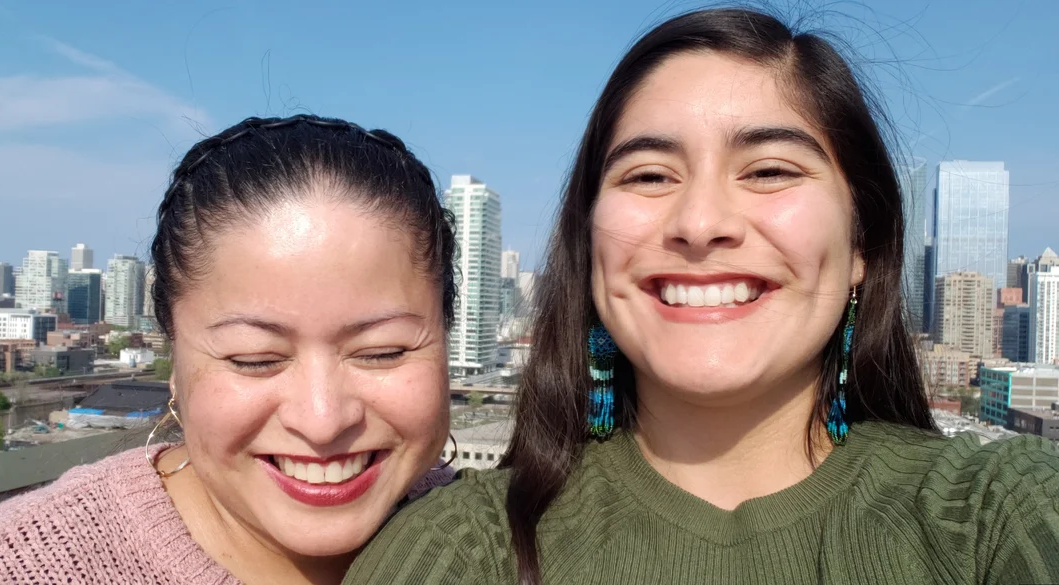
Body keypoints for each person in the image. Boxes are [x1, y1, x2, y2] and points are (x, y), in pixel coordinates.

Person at [344, 8, 1059, 585]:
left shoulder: (996, 512)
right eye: (649, 176)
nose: (700, 223)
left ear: (861, 244)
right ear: (589, 239)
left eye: (770, 170)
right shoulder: (473, 548)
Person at [0, 114, 457, 585]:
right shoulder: (25, 567)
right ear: (174, 361)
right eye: (255, 358)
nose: (322, 421)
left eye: (382, 352)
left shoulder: (513, 545)